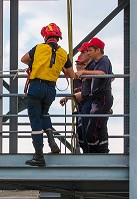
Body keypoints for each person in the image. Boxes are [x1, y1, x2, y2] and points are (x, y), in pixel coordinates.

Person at [21, 23, 75, 166]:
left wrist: (36, 65)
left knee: (35, 121)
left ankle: (39, 156)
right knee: (44, 114)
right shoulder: (64, 54)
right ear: (58, 37)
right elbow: (71, 74)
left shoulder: (39, 48)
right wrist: (59, 66)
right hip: (50, 90)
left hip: (36, 87)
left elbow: (24, 59)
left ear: (45, 36)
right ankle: (52, 142)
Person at [75, 37, 113, 153]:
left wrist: (84, 72)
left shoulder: (103, 61)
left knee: (93, 128)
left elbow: (104, 74)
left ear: (98, 50)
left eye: (89, 50)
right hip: (96, 99)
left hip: (101, 98)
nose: (87, 52)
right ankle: (92, 152)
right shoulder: (97, 63)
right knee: (89, 129)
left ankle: (98, 152)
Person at [60, 42, 95, 153]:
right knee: (81, 131)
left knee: (92, 131)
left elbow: (108, 77)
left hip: (90, 106)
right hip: (81, 108)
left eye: (81, 64)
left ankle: (93, 152)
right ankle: (86, 152)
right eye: (77, 64)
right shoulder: (77, 77)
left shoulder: (91, 70)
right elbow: (69, 72)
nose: (79, 66)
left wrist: (68, 97)